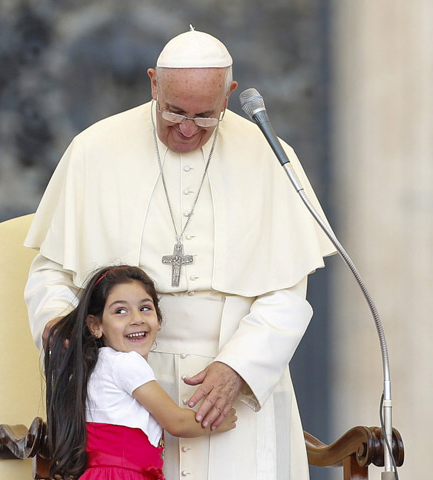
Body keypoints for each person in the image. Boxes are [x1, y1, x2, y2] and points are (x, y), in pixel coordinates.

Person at [24, 26, 336, 480]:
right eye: (172, 112)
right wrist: (60, 330)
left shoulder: (270, 156)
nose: (187, 128)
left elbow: (288, 294)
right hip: (123, 383)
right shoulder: (94, 149)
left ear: (229, 94)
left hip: (233, 382)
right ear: (153, 83)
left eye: (205, 116)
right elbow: (51, 271)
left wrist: (238, 368)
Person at [45, 265, 237, 479]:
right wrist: (219, 421)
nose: (137, 318)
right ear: (95, 325)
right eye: (120, 311)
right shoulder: (126, 364)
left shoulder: (96, 365)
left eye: (145, 308)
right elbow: (176, 422)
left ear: (159, 320)